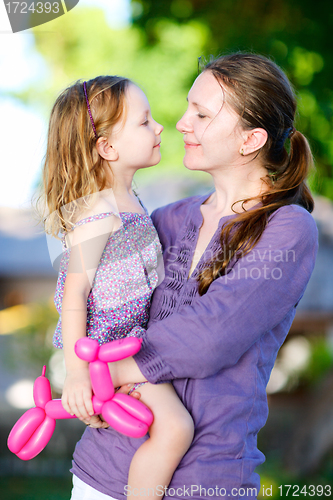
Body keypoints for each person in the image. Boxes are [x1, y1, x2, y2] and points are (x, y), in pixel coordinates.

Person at [69, 53, 318, 500]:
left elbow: (212, 334)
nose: (182, 123)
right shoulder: (163, 219)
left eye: (201, 114)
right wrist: (77, 369)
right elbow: (89, 295)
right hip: (100, 472)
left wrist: (104, 373)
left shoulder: (288, 229)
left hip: (206, 481)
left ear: (250, 140)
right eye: (188, 108)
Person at [40, 76, 194, 498]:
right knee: (176, 427)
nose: (160, 127)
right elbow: (73, 295)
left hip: (130, 346)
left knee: (158, 426)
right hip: (106, 350)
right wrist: (76, 374)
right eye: (145, 122)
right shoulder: (98, 211)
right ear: (107, 148)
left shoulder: (133, 202)